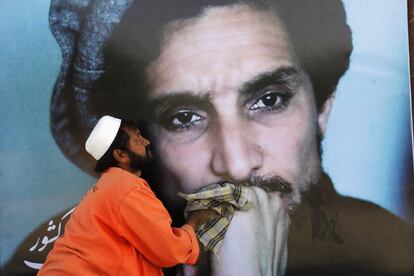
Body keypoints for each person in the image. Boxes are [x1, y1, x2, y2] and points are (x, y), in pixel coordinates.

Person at [45, 0, 414, 275]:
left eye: (270, 101)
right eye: (184, 118)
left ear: (322, 109)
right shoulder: (71, 256)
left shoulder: (398, 257)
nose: (236, 166)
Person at [38, 115, 217, 275]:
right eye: (138, 138)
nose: (146, 142)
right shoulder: (126, 189)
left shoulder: (108, 187)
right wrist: (195, 221)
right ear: (121, 155)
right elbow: (168, 250)